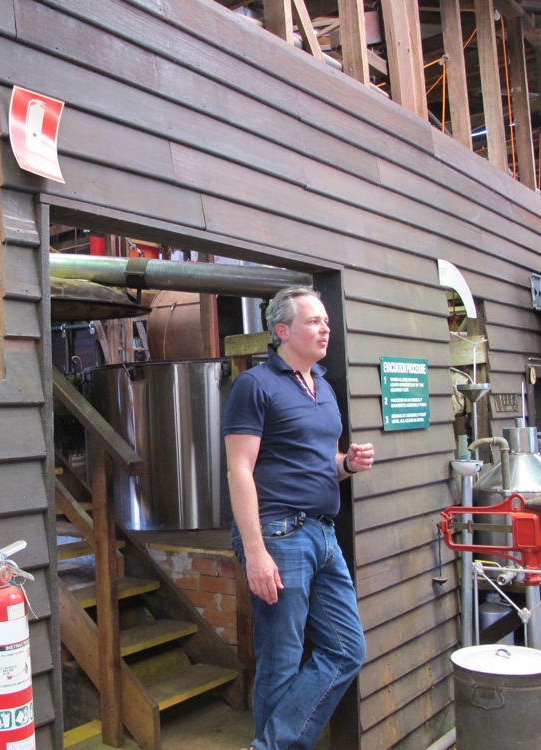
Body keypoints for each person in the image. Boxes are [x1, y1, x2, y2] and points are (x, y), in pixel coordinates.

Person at [224, 285, 374, 750]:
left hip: (324, 535)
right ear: (283, 331)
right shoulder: (255, 385)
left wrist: (346, 464)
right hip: (279, 536)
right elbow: (239, 470)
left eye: (326, 321)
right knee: (281, 661)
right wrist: (255, 553)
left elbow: (319, 462)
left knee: (347, 649)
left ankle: (272, 746)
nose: (325, 328)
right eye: (314, 321)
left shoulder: (324, 387)